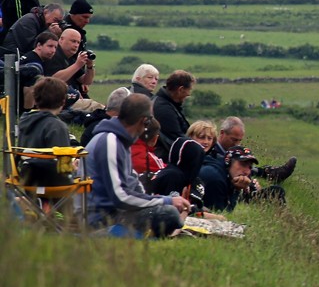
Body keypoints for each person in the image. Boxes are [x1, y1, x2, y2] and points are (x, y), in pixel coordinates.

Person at [86, 93, 189, 237]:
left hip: (115, 212)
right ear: (144, 121)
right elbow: (120, 196)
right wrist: (165, 201)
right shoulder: (110, 141)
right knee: (169, 214)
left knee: (169, 207)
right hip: (101, 219)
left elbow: (133, 183)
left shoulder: (120, 141)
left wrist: (166, 200)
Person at [15, 77, 75, 187]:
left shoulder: (24, 121)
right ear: (63, 101)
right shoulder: (57, 126)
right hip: (51, 182)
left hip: (26, 177)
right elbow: (63, 165)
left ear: (36, 99)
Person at [215, 115, 298, 182]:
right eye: (234, 139)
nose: (236, 144)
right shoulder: (212, 150)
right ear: (222, 133)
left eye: (239, 140)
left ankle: (270, 173)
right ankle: (270, 174)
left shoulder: (230, 151)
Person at [152, 70, 194, 160]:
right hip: (166, 159)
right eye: (188, 91)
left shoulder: (169, 104)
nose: (189, 94)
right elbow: (176, 140)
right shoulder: (164, 109)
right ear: (181, 89)